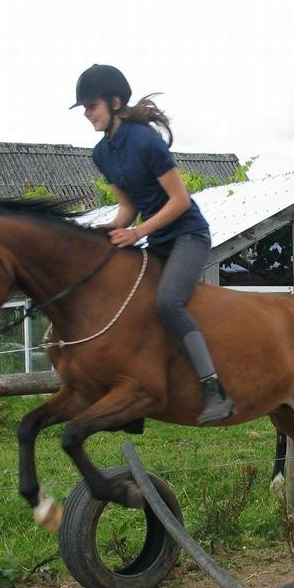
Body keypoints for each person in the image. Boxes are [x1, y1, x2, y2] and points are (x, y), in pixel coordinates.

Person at [72, 63, 236, 425]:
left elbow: (179, 201)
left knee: (167, 302)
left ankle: (214, 389)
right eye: (84, 108)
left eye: (91, 106)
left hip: (187, 235)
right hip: (155, 239)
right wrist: (109, 228)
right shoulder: (101, 153)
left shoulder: (145, 141)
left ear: (115, 103)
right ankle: (130, 394)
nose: (87, 114)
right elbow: (128, 206)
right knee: (123, 299)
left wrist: (136, 233)